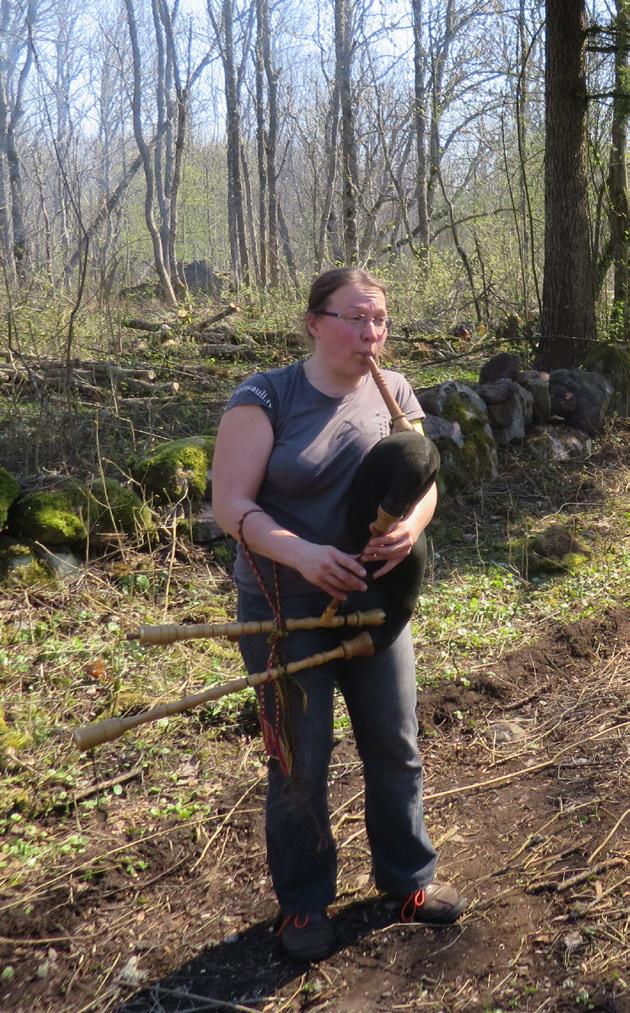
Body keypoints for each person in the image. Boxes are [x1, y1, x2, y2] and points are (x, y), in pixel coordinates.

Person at [212, 267, 466, 961]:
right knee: (300, 756)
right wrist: (302, 554)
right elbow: (231, 504)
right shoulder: (264, 396)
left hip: (376, 595)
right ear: (315, 322)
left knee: (395, 739)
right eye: (356, 318)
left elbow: (424, 480)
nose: (371, 333)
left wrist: (411, 528)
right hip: (284, 600)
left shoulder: (394, 390)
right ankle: (302, 904)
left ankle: (407, 879)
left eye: (379, 319)